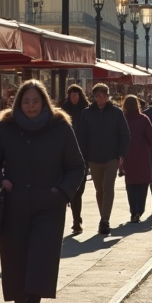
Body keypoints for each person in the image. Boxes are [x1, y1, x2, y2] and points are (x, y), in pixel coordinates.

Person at [0, 80, 84, 303]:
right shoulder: (6, 127)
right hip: (13, 207)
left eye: (35, 101)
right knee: (15, 263)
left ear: (44, 102)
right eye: (26, 101)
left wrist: (61, 192)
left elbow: (76, 167)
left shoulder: (60, 127)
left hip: (48, 207)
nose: (31, 106)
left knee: (40, 262)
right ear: (18, 103)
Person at [76, 84, 131, 236]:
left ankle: (105, 220)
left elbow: (125, 134)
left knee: (108, 188)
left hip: (111, 157)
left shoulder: (116, 113)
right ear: (94, 97)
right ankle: (103, 217)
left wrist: (121, 153)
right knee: (99, 190)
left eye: (103, 95)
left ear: (107, 96)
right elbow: (82, 136)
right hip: (94, 158)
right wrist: (83, 156)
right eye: (98, 96)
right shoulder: (87, 113)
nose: (101, 98)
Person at [121, 95, 152, 223]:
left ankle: (133, 211)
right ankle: (139, 211)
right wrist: (146, 146)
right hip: (142, 156)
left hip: (127, 157)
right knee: (142, 185)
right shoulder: (143, 119)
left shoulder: (123, 120)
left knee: (130, 185)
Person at [58, 85, 89, 234]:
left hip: (83, 154)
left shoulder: (87, 110)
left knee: (79, 190)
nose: (74, 98)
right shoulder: (63, 110)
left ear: (80, 95)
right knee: (71, 190)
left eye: (76, 95)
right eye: (71, 95)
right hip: (65, 155)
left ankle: (77, 219)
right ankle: (76, 220)